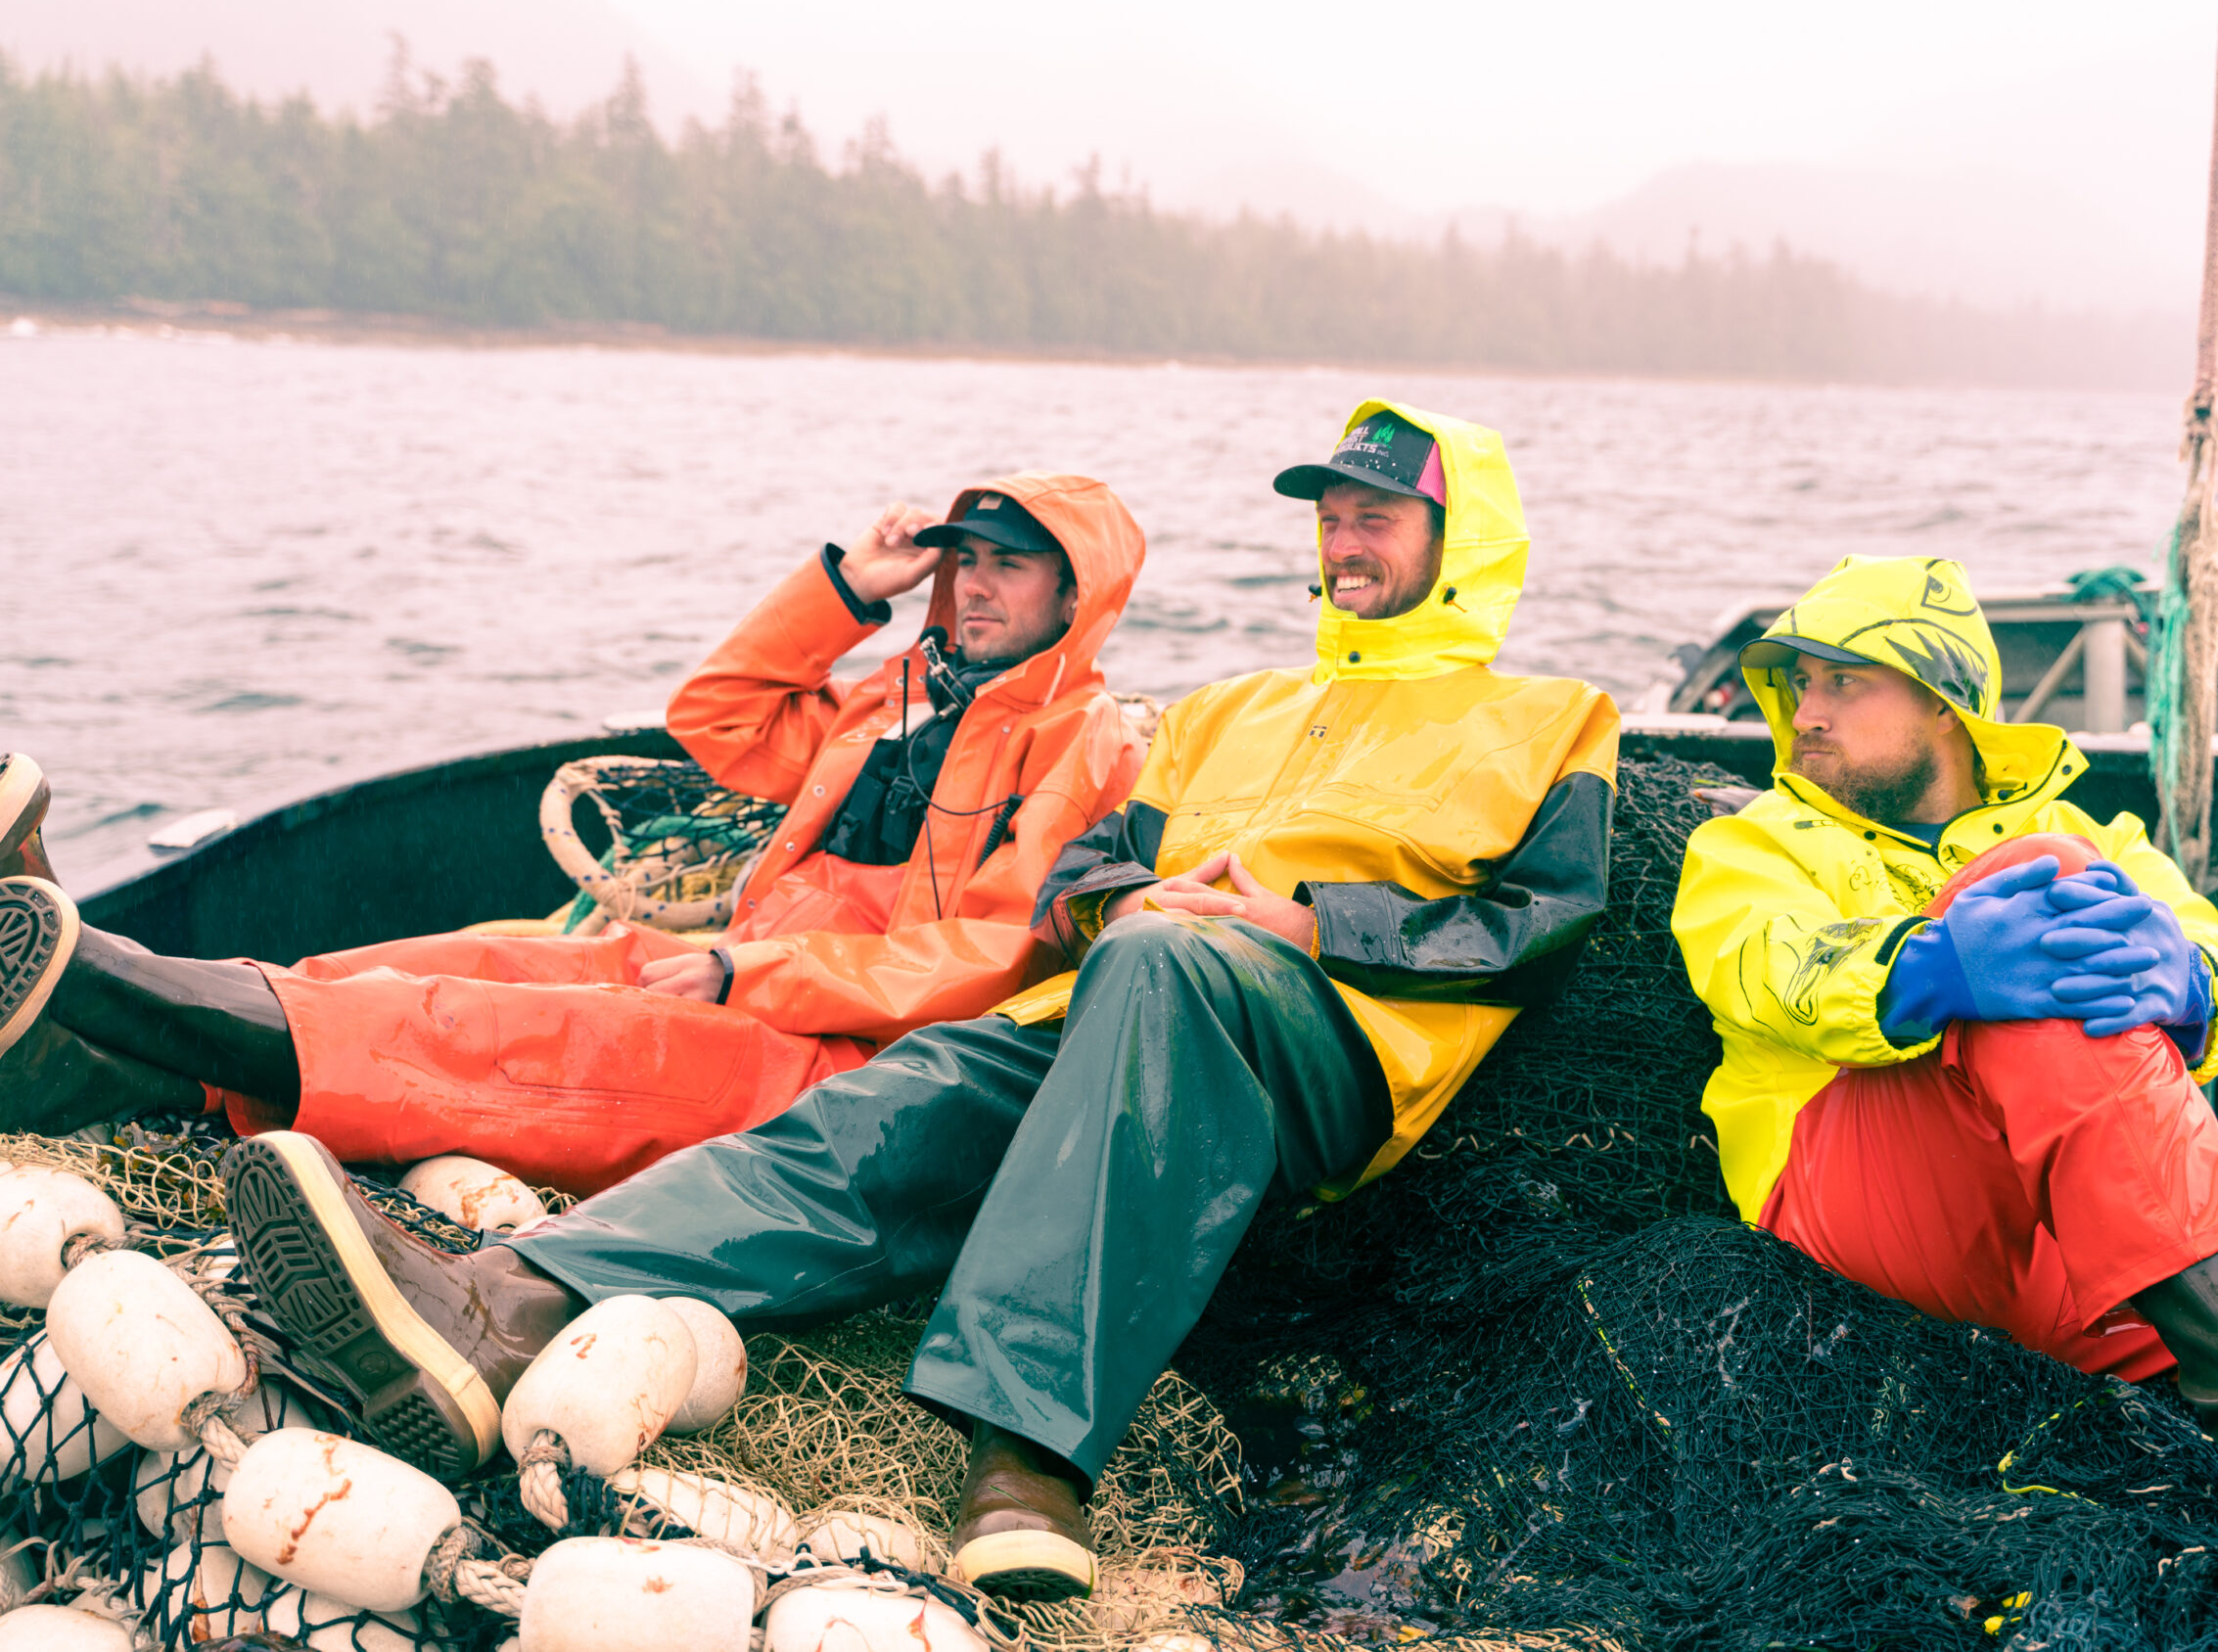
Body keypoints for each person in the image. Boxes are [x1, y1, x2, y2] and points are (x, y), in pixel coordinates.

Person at [209, 400, 1619, 1601]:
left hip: (1325, 1044)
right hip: (1108, 1011)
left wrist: (1297, 921)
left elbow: (1540, 919)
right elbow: (1096, 876)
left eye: (1378, 516)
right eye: (1330, 513)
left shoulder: (1552, 717)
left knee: (1165, 961)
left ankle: (1028, 1457)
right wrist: (1125, 902)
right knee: (898, 1106)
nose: (1343, 538)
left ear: (1462, 539)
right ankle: (507, 1301)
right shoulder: (1221, 710)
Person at [1673, 552, 2218, 1591]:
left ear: (1942, 703)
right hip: (1866, 1208)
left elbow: (2210, 965)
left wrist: (2192, 983)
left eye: (1842, 680)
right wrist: (1925, 968)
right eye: (1795, 684)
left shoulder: (2093, 834)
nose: (1805, 712)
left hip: (2101, 1238)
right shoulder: (1755, 842)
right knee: (2047, 886)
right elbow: (1758, 968)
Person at [0, 476, 1148, 1196]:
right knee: (447, 961)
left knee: (486, 1030)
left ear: (1075, 594)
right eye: (966, 561)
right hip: (718, 973)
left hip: (835, 1055)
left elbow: (1001, 952)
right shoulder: (891, 697)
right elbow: (717, 714)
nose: (977, 586)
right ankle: (78, 1064)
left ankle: (93, 977)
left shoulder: (1088, 740)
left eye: (1011, 566)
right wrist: (849, 584)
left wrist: (751, 969)